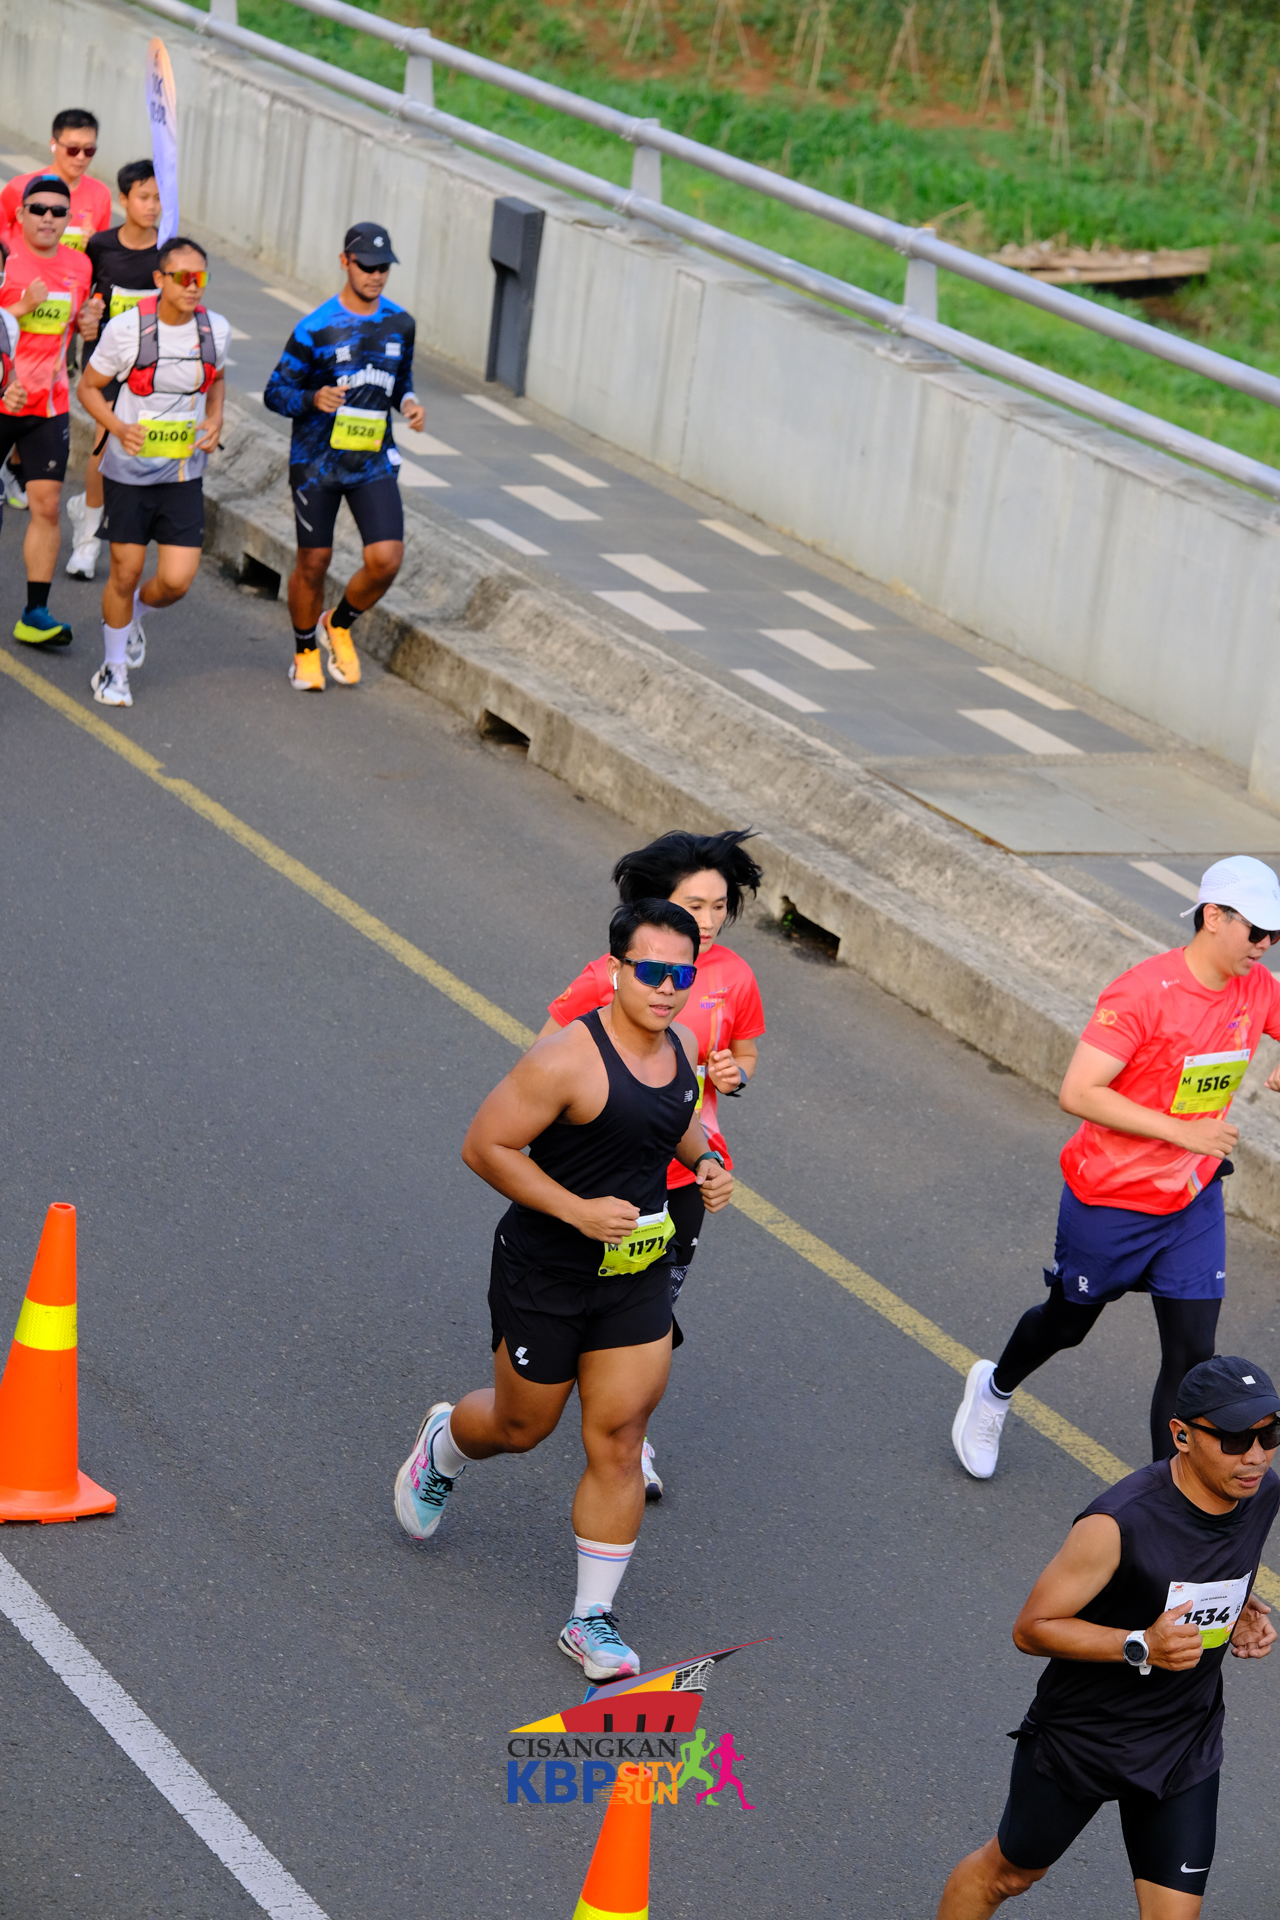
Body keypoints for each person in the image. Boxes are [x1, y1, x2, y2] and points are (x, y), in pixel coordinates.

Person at [393, 899, 734, 1681]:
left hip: (635, 1275)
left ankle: (591, 1620)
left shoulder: (681, 1046)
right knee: (522, 1426)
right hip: (544, 1271)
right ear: (615, 971)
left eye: (682, 974)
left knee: (620, 1436)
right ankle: (445, 1442)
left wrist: (706, 1160)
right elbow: (486, 1145)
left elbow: (673, 1117)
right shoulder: (564, 1061)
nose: (668, 987)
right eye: (651, 971)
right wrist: (577, 1211)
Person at [953, 855, 1280, 1480]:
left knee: (1192, 1356)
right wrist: (1185, 1131)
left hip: (1192, 1197)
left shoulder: (1256, 987)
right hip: (1111, 1199)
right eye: (1257, 930)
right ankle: (994, 1389)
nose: (1266, 945)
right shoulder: (1142, 993)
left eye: (1276, 934)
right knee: (1066, 1325)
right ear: (1213, 916)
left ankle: (1172, 1506)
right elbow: (1079, 1091)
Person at [936, 1355, 1280, 1919]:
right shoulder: (1117, 1523)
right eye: (1237, 1438)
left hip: (1183, 1739)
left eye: (1270, 1434)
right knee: (1009, 1876)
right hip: (1087, 1737)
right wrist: (1141, 1644)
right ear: (1182, 1436)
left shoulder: (1260, 1492)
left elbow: (1209, 1561)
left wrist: (1238, 1607)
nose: (1258, 1455)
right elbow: (1032, 1629)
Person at [539, 829, 766, 1499]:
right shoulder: (607, 976)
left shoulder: (735, 978)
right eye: (695, 905)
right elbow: (544, 1057)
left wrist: (732, 1075)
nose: (710, 920)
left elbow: (746, 1054)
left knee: (652, 1309)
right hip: (602, 1172)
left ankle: (627, 1436)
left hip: (685, 1172)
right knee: (580, 1312)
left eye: (720, 906)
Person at [263, 221, 426, 692]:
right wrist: (312, 398)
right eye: (367, 267)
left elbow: (401, 380)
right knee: (314, 562)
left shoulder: (401, 324)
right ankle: (304, 650)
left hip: (371, 462)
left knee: (386, 559)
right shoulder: (315, 328)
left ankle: (338, 623)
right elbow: (275, 392)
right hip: (317, 466)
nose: (376, 276)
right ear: (345, 262)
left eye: (384, 268)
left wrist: (410, 403)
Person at [76, 236, 228, 708]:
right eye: (183, 277)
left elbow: (217, 378)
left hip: (182, 471)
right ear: (160, 279)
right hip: (128, 473)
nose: (193, 286)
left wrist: (215, 418)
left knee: (177, 581)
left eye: (200, 278)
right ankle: (114, 669)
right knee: (125, 572)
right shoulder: (127, 330)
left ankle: (135, 614)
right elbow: (88, 388)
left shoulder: (216, 330)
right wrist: (119, 428)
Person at [0, 175, 100, 646]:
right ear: (21, 213)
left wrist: (87, 324)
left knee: (46, 506)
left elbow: (73, 328)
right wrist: (22, 307)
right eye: (38, 209)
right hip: (2, 396)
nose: (48, 218)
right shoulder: (5, 257)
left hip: (48, 404)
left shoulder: (80, 265)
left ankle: (35, 614)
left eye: (58, 212)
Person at [0, 109, 111, 513]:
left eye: (89, 151)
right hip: (21, 295)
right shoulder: (20, 189)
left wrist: (86, 315)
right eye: (73, 148)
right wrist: (20, 292)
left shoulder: (98, 197)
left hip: (65, 301)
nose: (80, 157)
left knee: (47, 506)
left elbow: (96, 253)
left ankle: (17, 465)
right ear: (54, 144)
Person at [65, 160, 163, 581]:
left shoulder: (169, 250)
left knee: (135, 450)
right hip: (105, 363)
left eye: (158, 198)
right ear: (124, 199)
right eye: (144, 197)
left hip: (152, 367)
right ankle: (88, 541)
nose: (152, 206)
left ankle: (88, 508)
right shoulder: (101, 246)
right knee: (104, 444)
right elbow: (81, 299)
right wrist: (85, 320)